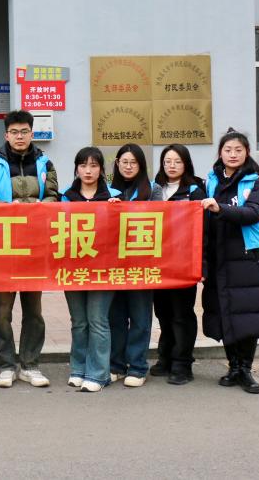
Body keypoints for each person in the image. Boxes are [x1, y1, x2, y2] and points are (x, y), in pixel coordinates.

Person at [0, 110, 58, 388]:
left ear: (32, 134)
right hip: (3, 247)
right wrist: (10, 209)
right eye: (14, 132)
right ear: (6, 135)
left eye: (24, 132)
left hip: (35, 247)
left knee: (34, 311)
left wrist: (38, 208)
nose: (19, 137)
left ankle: (30, 365)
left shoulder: (45, 164)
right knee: (2, 312)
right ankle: (6, 366)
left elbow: (54, 198)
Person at [202, 129, 259, 395]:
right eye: (228, 150)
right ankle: (233, 366)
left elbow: (254, 212)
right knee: (224, 312)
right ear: (220, 153)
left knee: (248, 315)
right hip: (218, 257)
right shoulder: (211, 181)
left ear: (247, 153)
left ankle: (246, 369)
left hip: (248, 258)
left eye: (238, 150)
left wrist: (220, 208)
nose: (232, 154)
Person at [60, 147, 120, 393]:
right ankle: (78, 369)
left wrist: (119, 210)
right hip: (73, 269)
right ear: (76, 168)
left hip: (103, 269)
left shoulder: (114, 196)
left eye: (94, 165)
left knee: (97, 320)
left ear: (101, 170)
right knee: (79, 322)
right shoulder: (65, 197)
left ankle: (98, 373)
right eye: (83, 165)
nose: (88, 170)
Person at [150, 144, 206, 386]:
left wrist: (202, 264)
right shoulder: (155, 188)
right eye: (167, 161)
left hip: (183, 263)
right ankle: (165, 358)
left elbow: (203, 230)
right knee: (163, 313)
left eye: (177, 161)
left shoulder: (195, 191)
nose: (171, 166)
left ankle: (183, 364)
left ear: (186, 164)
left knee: (181, 314)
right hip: (158, 262)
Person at [108, 143, 154, 388]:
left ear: (141, 165)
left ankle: (137, 367)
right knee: (115, 318)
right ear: (117, 164)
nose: (128, 166)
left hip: (142, 264)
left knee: (140, 318)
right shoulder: (106, 190)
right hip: (113, 265)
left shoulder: (152, 190)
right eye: (124, 162)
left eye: (133, 162)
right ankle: (116, 365)